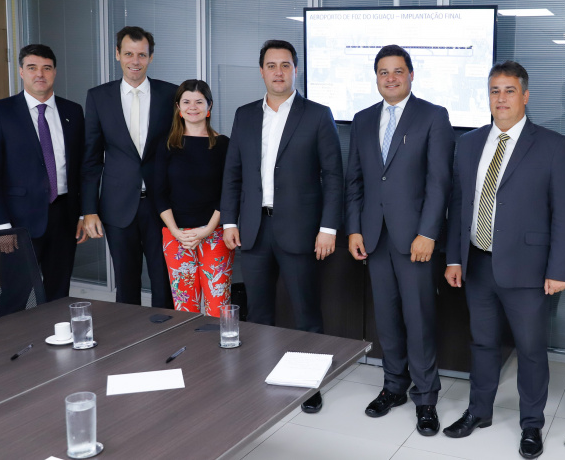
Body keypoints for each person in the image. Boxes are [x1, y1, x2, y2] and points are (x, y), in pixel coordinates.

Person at [443, 61, 565, 459]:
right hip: (478, 262)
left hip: (529, 269)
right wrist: (453, 259)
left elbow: (564, 212)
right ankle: (479, 411)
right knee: (482, 344)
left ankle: (531, 424)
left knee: (531, 349)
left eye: (509, 91)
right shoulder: (468, 144)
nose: (501, 99)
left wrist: (558, 269)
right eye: (494, 91)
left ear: (525, 96)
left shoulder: (552, 145)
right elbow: (459, 206)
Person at [221, 39, 343, 413]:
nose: (278, 71)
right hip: (255, 228)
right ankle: (264, 373)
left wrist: (328, 228)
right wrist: (228, 220)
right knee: (259, 312)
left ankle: (309, 385)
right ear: (261, 71)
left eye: (285, 65)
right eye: (271, 65)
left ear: (295, 70)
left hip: (301, 230)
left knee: (306, 313)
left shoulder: (317, 114)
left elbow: (333, 176)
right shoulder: (244, 115)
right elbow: (233, 173)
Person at [346, 45, 454, 436]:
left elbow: (439, 182)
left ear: (411, 74)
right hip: (373, 236)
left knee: (418, 318)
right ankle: (394, 387)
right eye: (382, 72)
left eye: (397, 71)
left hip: (415, 240)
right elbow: (354, 180)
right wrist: (354, 228)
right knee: (387, 318)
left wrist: (428, 233)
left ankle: (426, 397)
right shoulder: (361, 120)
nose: (390, 78)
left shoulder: (433, 116)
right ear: (376, 77)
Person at [0, 44, 87, 306]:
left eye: (46, 68)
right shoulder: (0, 111)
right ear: (21, 72)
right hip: (19, 222)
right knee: (15, 294)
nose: (40, 74)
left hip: (64, 217)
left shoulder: (73, 111)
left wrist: (82, 213)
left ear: (55, 72)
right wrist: (1, 226)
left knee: (59, 294)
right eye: (32, 68)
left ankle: (55, 344)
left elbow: (81, 167)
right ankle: (8, 347)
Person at [82, 26, 177, 308]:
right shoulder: (99, 97)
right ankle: (130, 342)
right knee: (126, 281)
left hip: (161, 206)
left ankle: (165, 336)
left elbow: (180, 148)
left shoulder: (170, 94)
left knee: (163, 279)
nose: (135, 61)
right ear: (117, 55)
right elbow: (91, 158)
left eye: (141, 55)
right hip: (117, 206)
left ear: (150, 57)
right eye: (128, 54)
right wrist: (89, 210)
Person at [152, 80, 231, 316]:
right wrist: (176, 232)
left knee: (218, 306)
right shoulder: (166, 144)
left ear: (209, 106)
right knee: (184, 306)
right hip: (176, 235)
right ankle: (192, 353)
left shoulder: (223, 145)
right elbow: (159, 192)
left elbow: (228, 191)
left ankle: (219, 352)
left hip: (215, 233)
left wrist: (207, 230)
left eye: (199, 101)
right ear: (178, 107)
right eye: (186, 101)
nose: (192, 107)